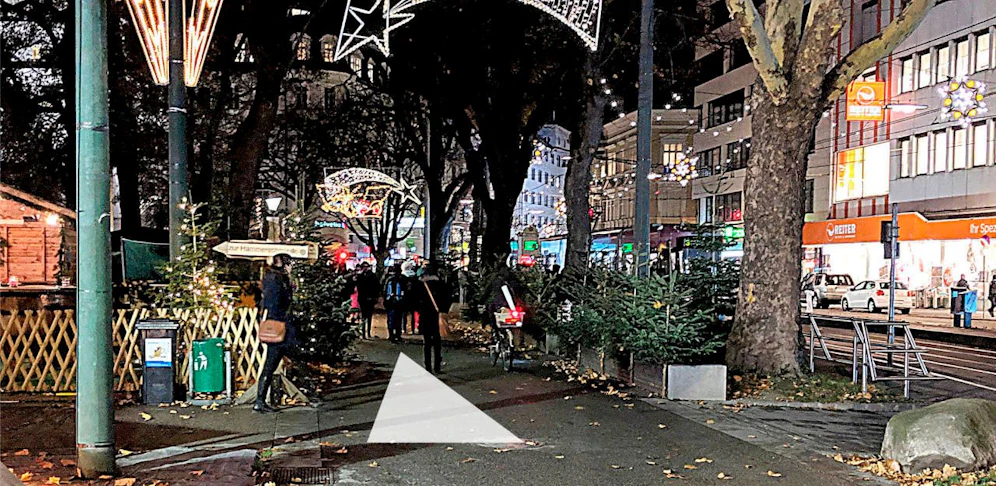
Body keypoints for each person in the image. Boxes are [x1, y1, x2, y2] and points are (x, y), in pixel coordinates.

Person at [256, 253, 298, 413]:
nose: (291, 266)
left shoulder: (276, 278)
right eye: (289, 262)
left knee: (274, 363)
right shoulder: (276, 280)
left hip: (281, 328)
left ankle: (260, 400)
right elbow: (274, 303)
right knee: (271, 363)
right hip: (278, 328)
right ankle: (259, 400)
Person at [412, 264, 451, 373]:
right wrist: (443, 309)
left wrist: (419, 308)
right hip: (437, 315)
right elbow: (448, 298)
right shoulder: (441, 285)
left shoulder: (421, 285)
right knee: (437, 340)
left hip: (425, 315)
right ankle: (437, 365)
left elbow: (414, 299)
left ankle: (428, 365)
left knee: (427, 341)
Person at [354, 262, 380, 338]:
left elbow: (376, 287)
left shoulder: (372, 276)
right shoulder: (360, 276)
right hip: (363, 299)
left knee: (369, 316)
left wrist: (374, 297)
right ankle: (364, 332)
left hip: (370, 299)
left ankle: (368, 332)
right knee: (364, 316)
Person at [384, 264, 406, 343]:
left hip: (392, 301)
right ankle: (396, 334)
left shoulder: (389, 279)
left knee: (392, 319)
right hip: (396, 301)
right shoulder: (402, 279)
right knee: (397, 319)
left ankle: (393, 334)